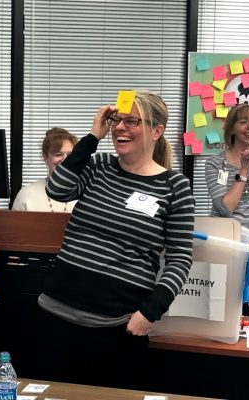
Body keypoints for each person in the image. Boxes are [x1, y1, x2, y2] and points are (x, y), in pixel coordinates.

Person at [36, 90, 195, 389]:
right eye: (116, 120)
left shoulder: (175, 187)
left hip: (116, 327)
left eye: (131, 121)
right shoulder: (100, 166)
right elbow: (56, 189)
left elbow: (180, 259)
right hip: (56, 315)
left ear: (156, 130)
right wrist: (94, 135)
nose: (120, 128)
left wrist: (151, 311)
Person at [205, 104, 249, 309]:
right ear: (232, 128)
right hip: (225, 243)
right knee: (219, 303)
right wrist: (243, 170)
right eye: (243, 122)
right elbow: (225, 209)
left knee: (248, 305)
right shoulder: (215, 163)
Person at [12, 127, 78, 212]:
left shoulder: (88, 192)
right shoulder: (26, 194)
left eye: (70, 155)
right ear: (45, 157)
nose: (65, 159)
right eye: (58, 154)